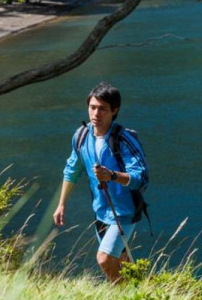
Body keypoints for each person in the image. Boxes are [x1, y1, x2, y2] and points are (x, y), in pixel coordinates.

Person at [52, 82, 147, 283]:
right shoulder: (81, 136)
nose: (96, 113)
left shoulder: (124, 139)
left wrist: (112, 175)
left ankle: (124, 295)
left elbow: (140, 177)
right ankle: (146, 291)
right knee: (123, 261)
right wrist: (61, 204)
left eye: (103, 109)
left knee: (104, 258)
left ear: (115, 110)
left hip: (125, 211)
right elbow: (72, 170)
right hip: (101, 212)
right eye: (92, 107)